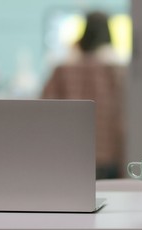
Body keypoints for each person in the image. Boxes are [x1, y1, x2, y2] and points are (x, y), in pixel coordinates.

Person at [41, 11, 124, 179]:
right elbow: (124, 117)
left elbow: (43, 110)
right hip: (108, 155)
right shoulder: (116, 71)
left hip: (71, 154)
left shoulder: (63, 70)